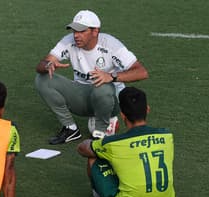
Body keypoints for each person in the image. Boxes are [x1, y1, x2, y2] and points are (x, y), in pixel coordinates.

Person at [35, 10, 148, 144]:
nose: (76, 35)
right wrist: (48, 65)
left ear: (95, 32)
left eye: (82, 31)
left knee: (103, 87)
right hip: (82, 94)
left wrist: (111, 76)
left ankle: (100, 133)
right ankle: (70, 129)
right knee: (42, 79)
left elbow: (142, 72)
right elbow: (41, 65)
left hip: (110, 98)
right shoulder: (68, 41)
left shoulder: (111, 45)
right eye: (74, 31)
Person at [77, 87, 176, 197]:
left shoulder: (114, 143)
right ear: (147, 109)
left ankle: (98, 194)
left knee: (95, 157)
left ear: (123, 116)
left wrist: (96, 141)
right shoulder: (167, 136)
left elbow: (82, 149)